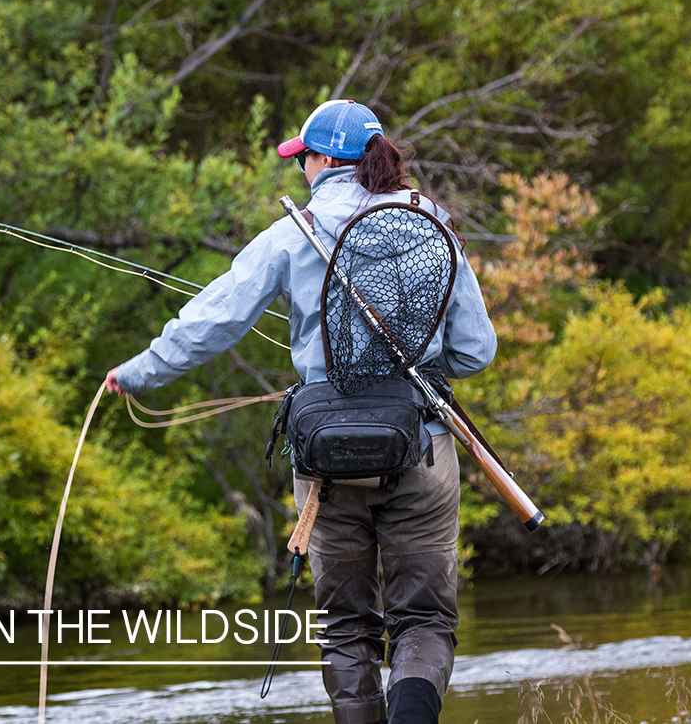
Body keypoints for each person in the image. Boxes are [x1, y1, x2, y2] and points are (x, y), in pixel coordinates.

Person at [106, 99, 497, 724]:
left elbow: (213, 321)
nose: (301, 169)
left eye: (303, 158)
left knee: (347, 627)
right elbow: (477, 352)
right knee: (423, 619)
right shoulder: (432, 224)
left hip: (325, 462)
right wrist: (414, 370)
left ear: (321, 160)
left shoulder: (292, 234)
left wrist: (137, 372)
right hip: (421, 447)